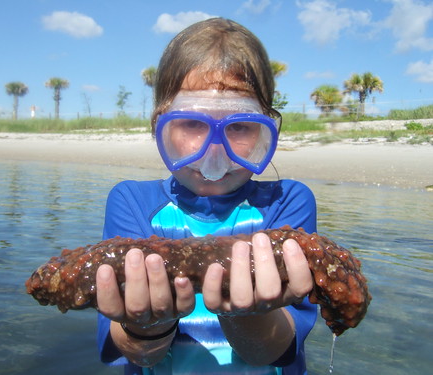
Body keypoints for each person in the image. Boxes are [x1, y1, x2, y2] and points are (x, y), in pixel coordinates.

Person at [95, 18, 317, 375]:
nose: (214, 158)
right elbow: (137, 353)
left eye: (240, 127)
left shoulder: (288, 202)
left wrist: (245, 317)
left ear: (266, 131)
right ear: (160, 127)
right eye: (193, 124)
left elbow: (275, 349)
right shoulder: (131, 202)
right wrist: (147, 325)